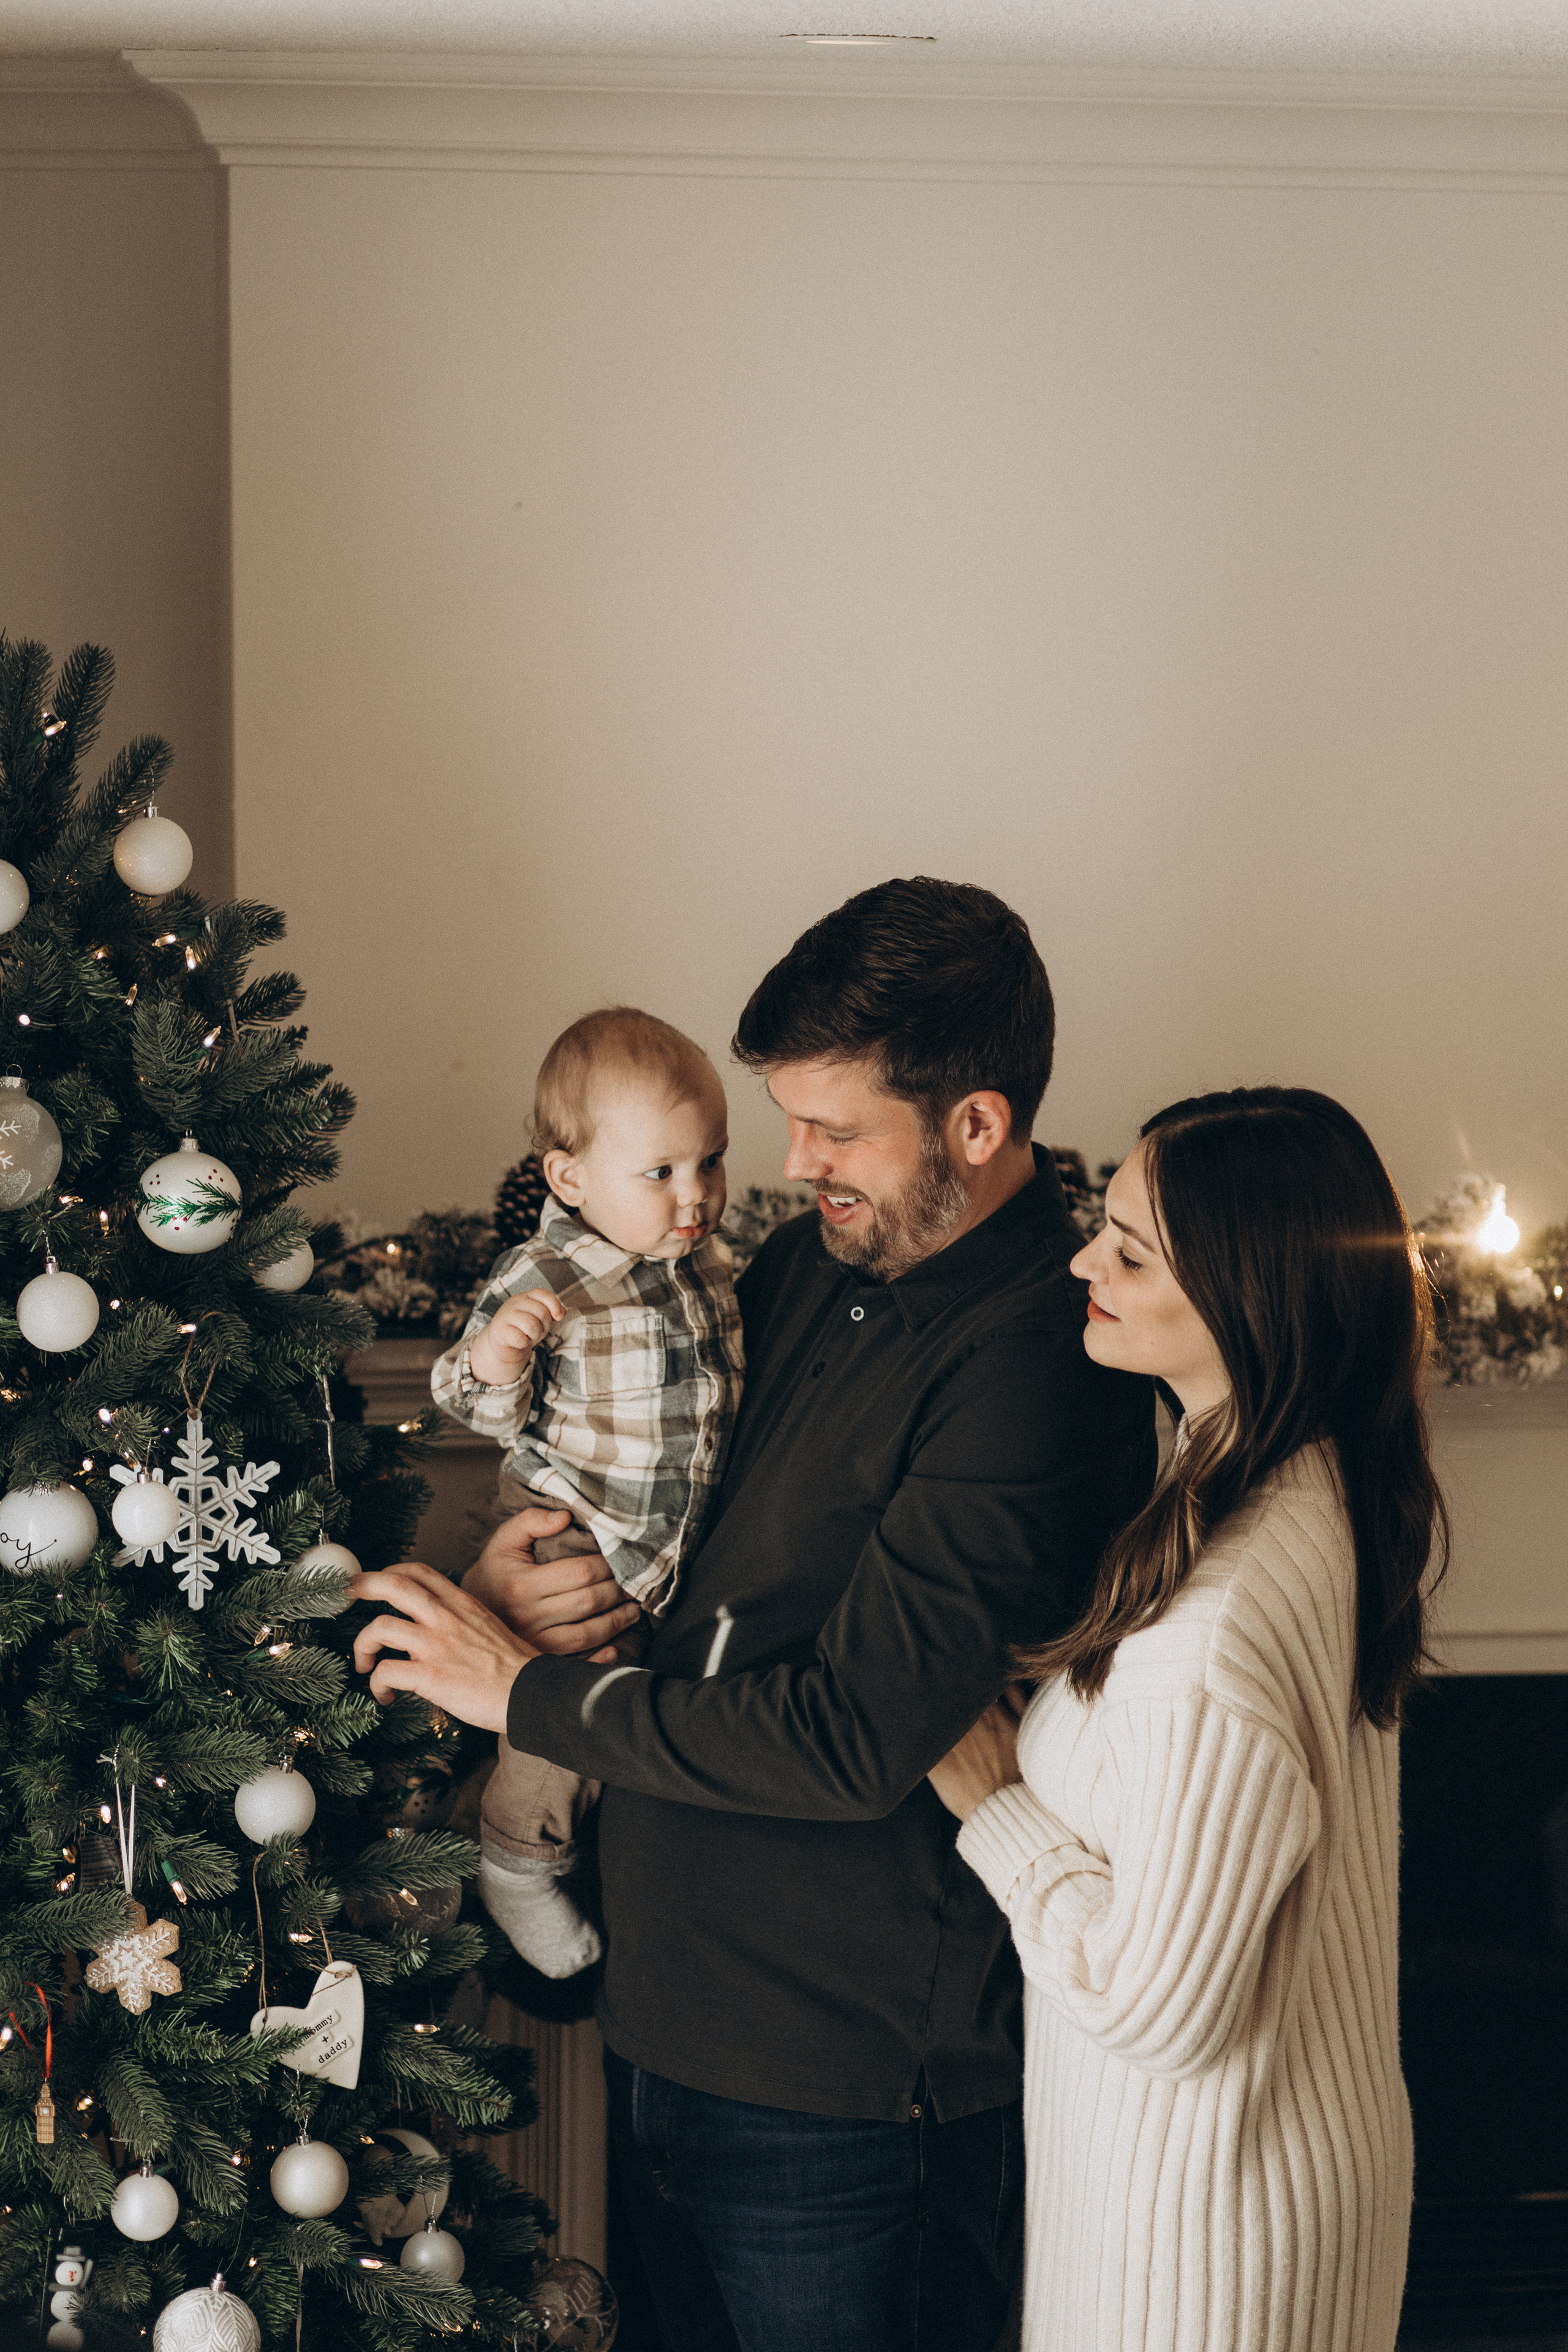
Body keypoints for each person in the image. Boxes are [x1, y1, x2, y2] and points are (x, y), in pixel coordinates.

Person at [350, 877, 1156, 2352]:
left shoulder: (1041, 1358)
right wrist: (518, 1584)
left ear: (974, 1127)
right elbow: (652, 1519)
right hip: (669, 2025)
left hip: (846, 2095)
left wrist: (514, 1690)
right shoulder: (796, 1267)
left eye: (836, 1130)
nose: (791, 1164)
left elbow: (853, 1735)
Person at [928, 1088, 1447, 2352]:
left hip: (1202, 2247)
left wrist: (996, 1808)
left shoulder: (1216, 1610)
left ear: (1248, 1298)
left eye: (1130, 1251)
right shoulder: (1292, 1481)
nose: (1082, 1263)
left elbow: (1160, 2007)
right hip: (1260, 2189)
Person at [429, 1007, 744, 1979]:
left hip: (659, 1547)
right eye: (660, 1173)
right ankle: (516, 1858)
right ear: (570, 1178)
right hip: (564, 1532)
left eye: (712, 1162)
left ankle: (567, 1848)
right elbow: (466, 1401)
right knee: (560, 1699)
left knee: (626, 1715)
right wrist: (499, 1352)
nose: (694, 1197)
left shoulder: (707, 1268)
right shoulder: (548, 1273)